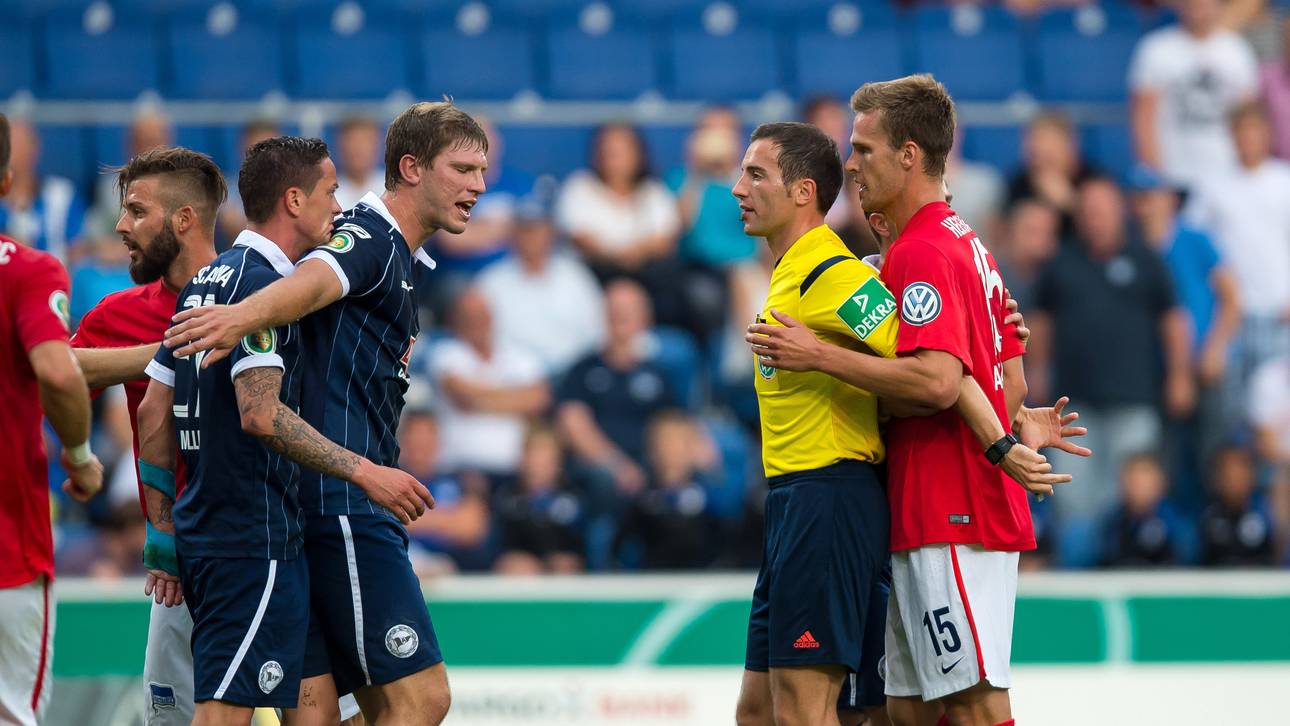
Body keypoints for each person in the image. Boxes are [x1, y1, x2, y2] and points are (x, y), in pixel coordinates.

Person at [747, 75, 1082, 726]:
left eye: (864, 149)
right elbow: (1002, 370)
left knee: (974, 702)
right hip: (923, 506)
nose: (851, 163)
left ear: (908, 155)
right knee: (906, 708)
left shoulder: (925, 251)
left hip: (950, 506)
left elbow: (935, 380)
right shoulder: (959, 243)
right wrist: (1012, 418)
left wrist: (817, 356)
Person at [162, 101, 489, 725]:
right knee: (421, 700)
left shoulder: (399, 256)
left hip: (316, 506)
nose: (478, 185)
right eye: (463, 168)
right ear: (412, 168)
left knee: (320, 719)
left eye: (482, 170)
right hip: (343, 507)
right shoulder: (370, 236)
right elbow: (317, 277)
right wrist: (244, 315)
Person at [70, 145, 226, 726]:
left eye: (136, 211)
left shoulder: (260, 295)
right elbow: (56, 379)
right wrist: (162, 357)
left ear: (183, 219)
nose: (120, 226)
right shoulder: (115, 313)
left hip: (273, 546)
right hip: (176, 566)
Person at [0, 112, 104, 726]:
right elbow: (60, 372)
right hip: (8, 555)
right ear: (8, 181)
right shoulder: (27, 269)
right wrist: (80, 455)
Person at [1129, 0, 1259, 189]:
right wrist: (1155, 175)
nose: (1198, 5)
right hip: (1174, 174)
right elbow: (1143, 119)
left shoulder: (1236, 51)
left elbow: (1248, 118)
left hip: (1227, 173)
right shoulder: (1156, 49)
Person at [474, 194, 605, 377]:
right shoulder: (490, 282)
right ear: (513, 234)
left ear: (551, 233)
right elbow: (482, 340)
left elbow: (596, 332)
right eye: (525, 230)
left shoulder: (576, 277)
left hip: (572, 375)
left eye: (538, 229)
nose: (532, 237)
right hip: (513, 378)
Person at [429, 286, 550, 481]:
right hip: (462, 469)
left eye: (482, 315)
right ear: (456, 320)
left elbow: (538, 399)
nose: (477, 322)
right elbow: (463, 396)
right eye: (468, 316)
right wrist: (517, 398)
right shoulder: (445, 353)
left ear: (493, 317)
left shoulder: (518, 356)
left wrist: (480, 400)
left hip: (515, 471)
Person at [0, 118, 88, 262]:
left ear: (34, 148)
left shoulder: (62, 195)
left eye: (17, 144)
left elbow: (79, 248)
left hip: (56, 278)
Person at [334, 115, 386, 210]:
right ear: (341, 146)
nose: (359, 148)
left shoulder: (393, 190)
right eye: (353, 141)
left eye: (366, 141)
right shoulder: (329, 194)